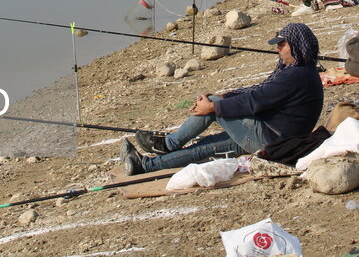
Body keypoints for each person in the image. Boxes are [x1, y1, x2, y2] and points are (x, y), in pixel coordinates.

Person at [121, 23, 324, 174]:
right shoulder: (301, 72)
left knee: (214, 103)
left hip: (270, 138)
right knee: (206, 146)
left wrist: (213, 107)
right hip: (274, 138)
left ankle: (167, 144)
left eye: (282, 44)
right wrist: (225, 98)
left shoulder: (296, 75)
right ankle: (145, 165)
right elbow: (259, 93)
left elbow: (254, 101)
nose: (277, 49)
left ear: (296, 45)